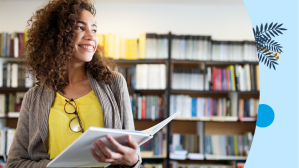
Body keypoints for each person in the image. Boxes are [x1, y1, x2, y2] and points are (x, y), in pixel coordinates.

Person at [7, 0, 141, 167]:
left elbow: (133, 155)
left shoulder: (113, 83)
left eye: (94, 29)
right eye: (80, 27)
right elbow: (14, 163)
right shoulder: (33, 98)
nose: (91, 36)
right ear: (57, 35)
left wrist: (133, 161)